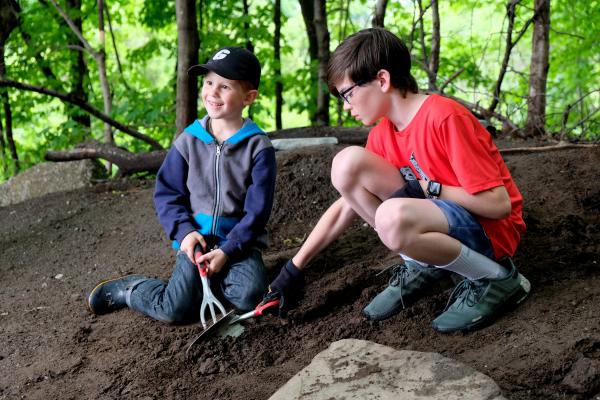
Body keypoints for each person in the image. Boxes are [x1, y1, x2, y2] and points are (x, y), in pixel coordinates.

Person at [265, 28, 530, 333]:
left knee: (391, 216)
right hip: (441, 222)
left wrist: (432, 187)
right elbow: (346, 205)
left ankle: (496, 279)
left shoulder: (444, 117)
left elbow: (499, 206)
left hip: (490, 233)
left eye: (348, 94)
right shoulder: (383, 133)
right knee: (345, 165)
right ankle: (425, 264)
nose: (346, 106)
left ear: (382, 80)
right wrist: (293, 268)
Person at [87, 47, 277, 324]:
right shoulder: (188, 141)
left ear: (249, 97)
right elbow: (167, 193)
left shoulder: (259, 147)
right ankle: (132, 289)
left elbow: (257, 212)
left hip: (238, 246)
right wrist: (185, 233)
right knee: (173, 310)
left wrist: (227, 251)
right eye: (209, 82)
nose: (212, 93)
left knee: (250, 297)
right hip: (196, 243)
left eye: (225, 86)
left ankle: (211, 284)